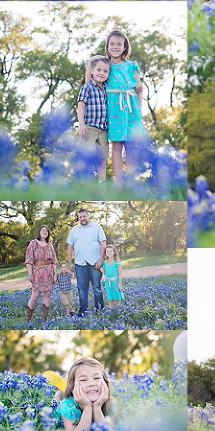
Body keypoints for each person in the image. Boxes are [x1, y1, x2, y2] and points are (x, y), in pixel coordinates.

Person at [87, 29, 146, 183]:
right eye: (112, 44)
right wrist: (90, 62)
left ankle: (131, 181)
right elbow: (89, 83)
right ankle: (119, 182)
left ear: (125, 47)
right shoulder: (104, 65)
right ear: (107, 47)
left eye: (119, 44)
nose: (115, 47)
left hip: (131, 108)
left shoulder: (132, 65)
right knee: (117, 145)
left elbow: (138, 89)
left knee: (131, 146)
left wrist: (139, 111)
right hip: (113, 109)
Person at [53, 356, 115, 431]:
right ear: (73, 387)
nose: (91, 384)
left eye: (96, 378)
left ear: (105, 383)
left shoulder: (110, 403)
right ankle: (58, 393)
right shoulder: (67, 406)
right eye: (83, 380)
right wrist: (87, 407)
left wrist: (97, 407)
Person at [66, 208, 106, 316]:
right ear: (78, 218)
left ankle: (100, 310)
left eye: (84, 216)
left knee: (97, 288)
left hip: (94, 263)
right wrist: (70, 263)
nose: (82, 218)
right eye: (80, 217)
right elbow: (70, 247)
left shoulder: (97, 227)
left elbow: (103, 244)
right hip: (79, 264)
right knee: (81, 289)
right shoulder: (74, 230)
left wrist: (100, 260)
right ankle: (83, 311)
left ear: (88, 216)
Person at [77, 55, 110, 181]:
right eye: (98, 70)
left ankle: (102, 182)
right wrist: (81, 124)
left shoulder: (106, 88)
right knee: (86, 155)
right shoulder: (87, 87)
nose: (101, 73)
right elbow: (80, 106)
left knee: (102, 157)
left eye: (105, 71)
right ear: (92, 71)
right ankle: (82, 180)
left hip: (103, 130)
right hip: (89, 127)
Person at [25, 224, 57, 323]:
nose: (45, 232)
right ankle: (28, 318)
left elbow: (54, 261)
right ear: (39, 232)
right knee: (35, 295)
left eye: (46, 231)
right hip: (37, 272)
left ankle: (44, 319)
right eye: (43, 230)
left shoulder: (49, 245)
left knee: (47, 294)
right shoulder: (33, 243)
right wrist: (30, 274)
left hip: (49, 271)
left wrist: (55, 274)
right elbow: (29, 260)